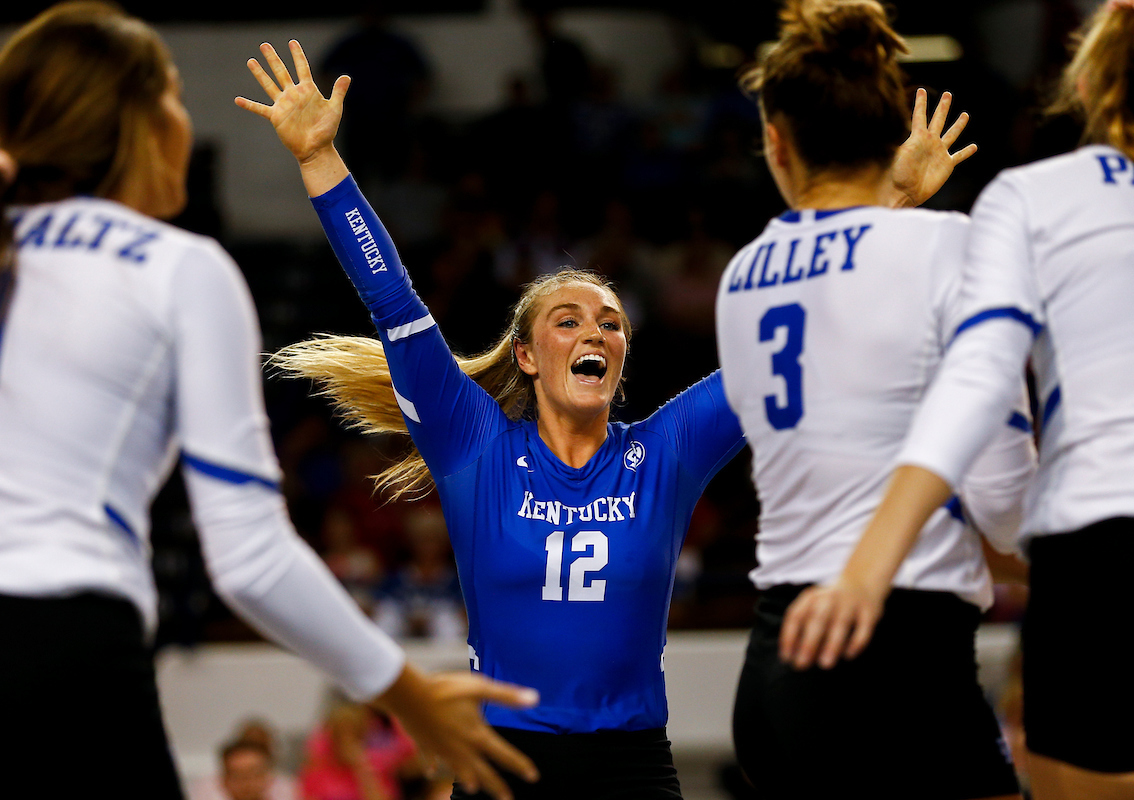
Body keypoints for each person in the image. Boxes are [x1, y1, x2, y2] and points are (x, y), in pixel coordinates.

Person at [235, 38, 970, 800]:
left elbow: (787, 327)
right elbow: (393, 300)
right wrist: (321, 159)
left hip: (632, 765)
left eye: (611, 322)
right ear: (525, 355)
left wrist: (892, 208)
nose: (595, 331)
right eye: (568, 320)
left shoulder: (667, 451)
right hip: (501, 765)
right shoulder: (474, 446)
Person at [0, 5, 537, 799]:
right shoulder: (178, 268)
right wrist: (407, 693)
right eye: (176, 97)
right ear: (140, 127)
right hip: (60, 641)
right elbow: (247, 555)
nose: (187, 121)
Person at [779, 1, 1134, 799]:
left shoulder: (1034, 196)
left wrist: (868, 569)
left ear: (1092, 76)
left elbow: (974, 383)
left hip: (1110, 548)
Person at [714, 1, 1037, 797]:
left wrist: (892, 204)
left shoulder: (741, 276)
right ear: (885, 134)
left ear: (777, 145)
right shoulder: (952, 245)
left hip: (775, 668)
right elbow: (1003, 499)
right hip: (901, 662)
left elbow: (844, 293)